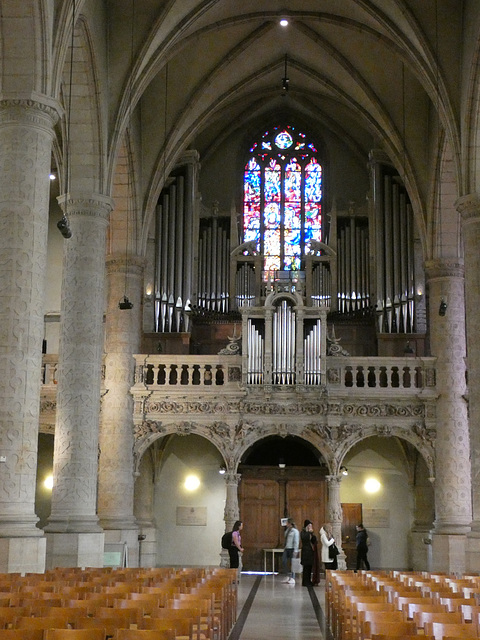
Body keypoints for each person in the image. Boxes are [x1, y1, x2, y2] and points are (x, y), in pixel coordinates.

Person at [282, 518, 300, 585]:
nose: (286, 524)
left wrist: (295, 550)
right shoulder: (288, 531)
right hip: (287, 548)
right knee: (284, 561)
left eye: (287, 523)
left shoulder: (295, 531)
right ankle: (287, 575)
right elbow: (285, 537)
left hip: (292, 548)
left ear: (290, 523)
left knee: (293, 563)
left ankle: (293, 577)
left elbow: (296, 541)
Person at [300, 519, 316, 587]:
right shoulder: (303, 532)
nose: (310, 527)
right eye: (309, 525)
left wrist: (312, 534)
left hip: (310, 552)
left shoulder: (311, 533)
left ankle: (309, 580)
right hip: (305, 552)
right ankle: (305, 581)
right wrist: (309, 533)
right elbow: (304, 539)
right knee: (306, 568)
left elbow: (314, 541)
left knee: (310, 567)